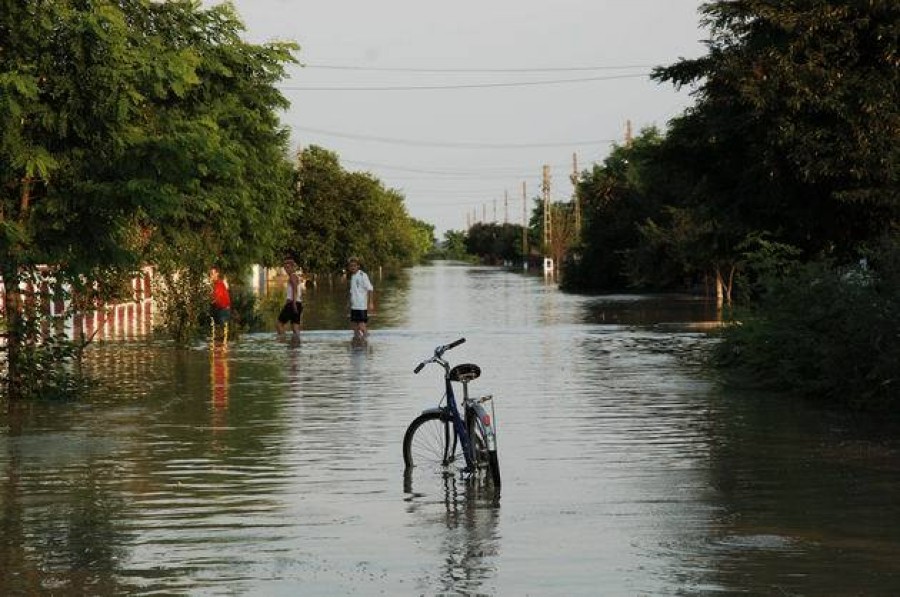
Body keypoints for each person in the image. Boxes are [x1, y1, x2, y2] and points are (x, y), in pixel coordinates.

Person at [347, 256, 374, 340]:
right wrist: (349, 303)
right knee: (354, 327)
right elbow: (352, 291)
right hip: (354, 305)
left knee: (362, 326)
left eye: (354, 265)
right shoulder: (352, 277)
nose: (353, 267)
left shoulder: (363, 275)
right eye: (351, 266)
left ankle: (367, 341)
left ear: (358, 266)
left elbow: (370, 289)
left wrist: (370, 302)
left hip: (361, 305)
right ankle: (357, 344)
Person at [277, 258, 303, 340]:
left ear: (292, 267)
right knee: (295, 327)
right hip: (297, 303)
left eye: (288, 267)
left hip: (292, 303)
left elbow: (295, 289)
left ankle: (282, 341)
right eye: (285, 268)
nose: (286, 269)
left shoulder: (292, 276)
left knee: (279, 324)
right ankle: (296, 346)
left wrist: (294, 303)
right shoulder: (295, 276)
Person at [209, 266, 231, 344]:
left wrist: (211, 300)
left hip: (224, 311)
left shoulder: (219, 284)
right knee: (217, 335)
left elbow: (218, 297)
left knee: (223, 335)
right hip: (219, 310)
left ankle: (223, 351)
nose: (211, 276)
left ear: (217, 274)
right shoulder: (215, 284)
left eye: (212, 273)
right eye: (210, 274)